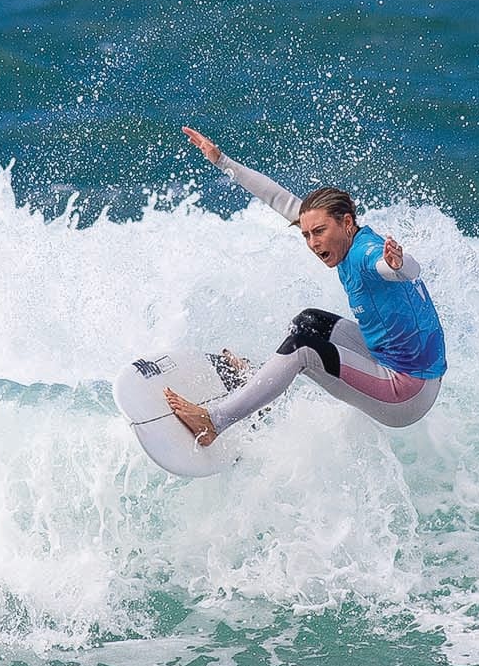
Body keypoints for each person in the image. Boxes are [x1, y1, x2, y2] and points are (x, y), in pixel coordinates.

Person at [164, 126, 447, 446]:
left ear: (347, 223)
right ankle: (256, 388)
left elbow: (401, 270)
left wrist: (397, 264)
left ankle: (214, 421)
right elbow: (276, 197)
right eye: (307, 234)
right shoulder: (348, 241)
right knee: (307, 322)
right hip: (387, 358)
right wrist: (221, 160)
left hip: (407, 392)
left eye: (319, 232)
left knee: (304, 349)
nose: (313, 243)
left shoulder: (367, 253)